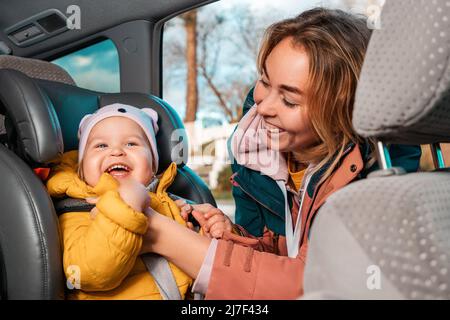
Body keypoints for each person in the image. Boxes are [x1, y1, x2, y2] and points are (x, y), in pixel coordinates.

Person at [139, 8, 422, 300]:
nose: (262, 108)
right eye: (264, 81)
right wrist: (232, 235)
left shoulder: (376, 180)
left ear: (341, 112)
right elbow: (280, 253)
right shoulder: (254, 152)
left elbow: (314, 282)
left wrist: (164, 236)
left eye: (288, 99)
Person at [46, 103, 192, 300]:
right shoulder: (75, 208)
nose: (116, 152)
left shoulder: (168, 200)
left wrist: (217, 229)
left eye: (131, 143)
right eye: (101, 145)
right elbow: (88, 274)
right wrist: (126, 206)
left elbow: (210, 261)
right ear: (81, 170)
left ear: (153, 167)